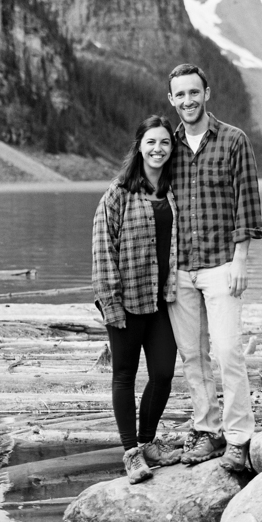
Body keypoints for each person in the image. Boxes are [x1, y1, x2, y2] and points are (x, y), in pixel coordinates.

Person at [166, 63, 262, 472]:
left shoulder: (233, 141)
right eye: (180, 95)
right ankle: (206, 431)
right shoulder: (166, 146)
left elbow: (248, 201)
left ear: (207, 94)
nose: (188, 101)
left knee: (227, 352)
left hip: (223, 264)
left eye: (194, 92)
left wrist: (241, 258)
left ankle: (239, 438)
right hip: (180, 269)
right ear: (171, 101)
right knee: (192, 356)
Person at [91, 115, 183, 483]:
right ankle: (131, 452)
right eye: (151, 142)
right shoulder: (118, 193)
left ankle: (148, 442)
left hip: (164, 300)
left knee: (162, 374)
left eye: (164, 142)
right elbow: (102, 249)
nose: (158, 149)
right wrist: (109, 302)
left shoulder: (174, 191)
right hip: (127, 299)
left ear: (171, 148)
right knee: (124, 375)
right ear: (139, 147)